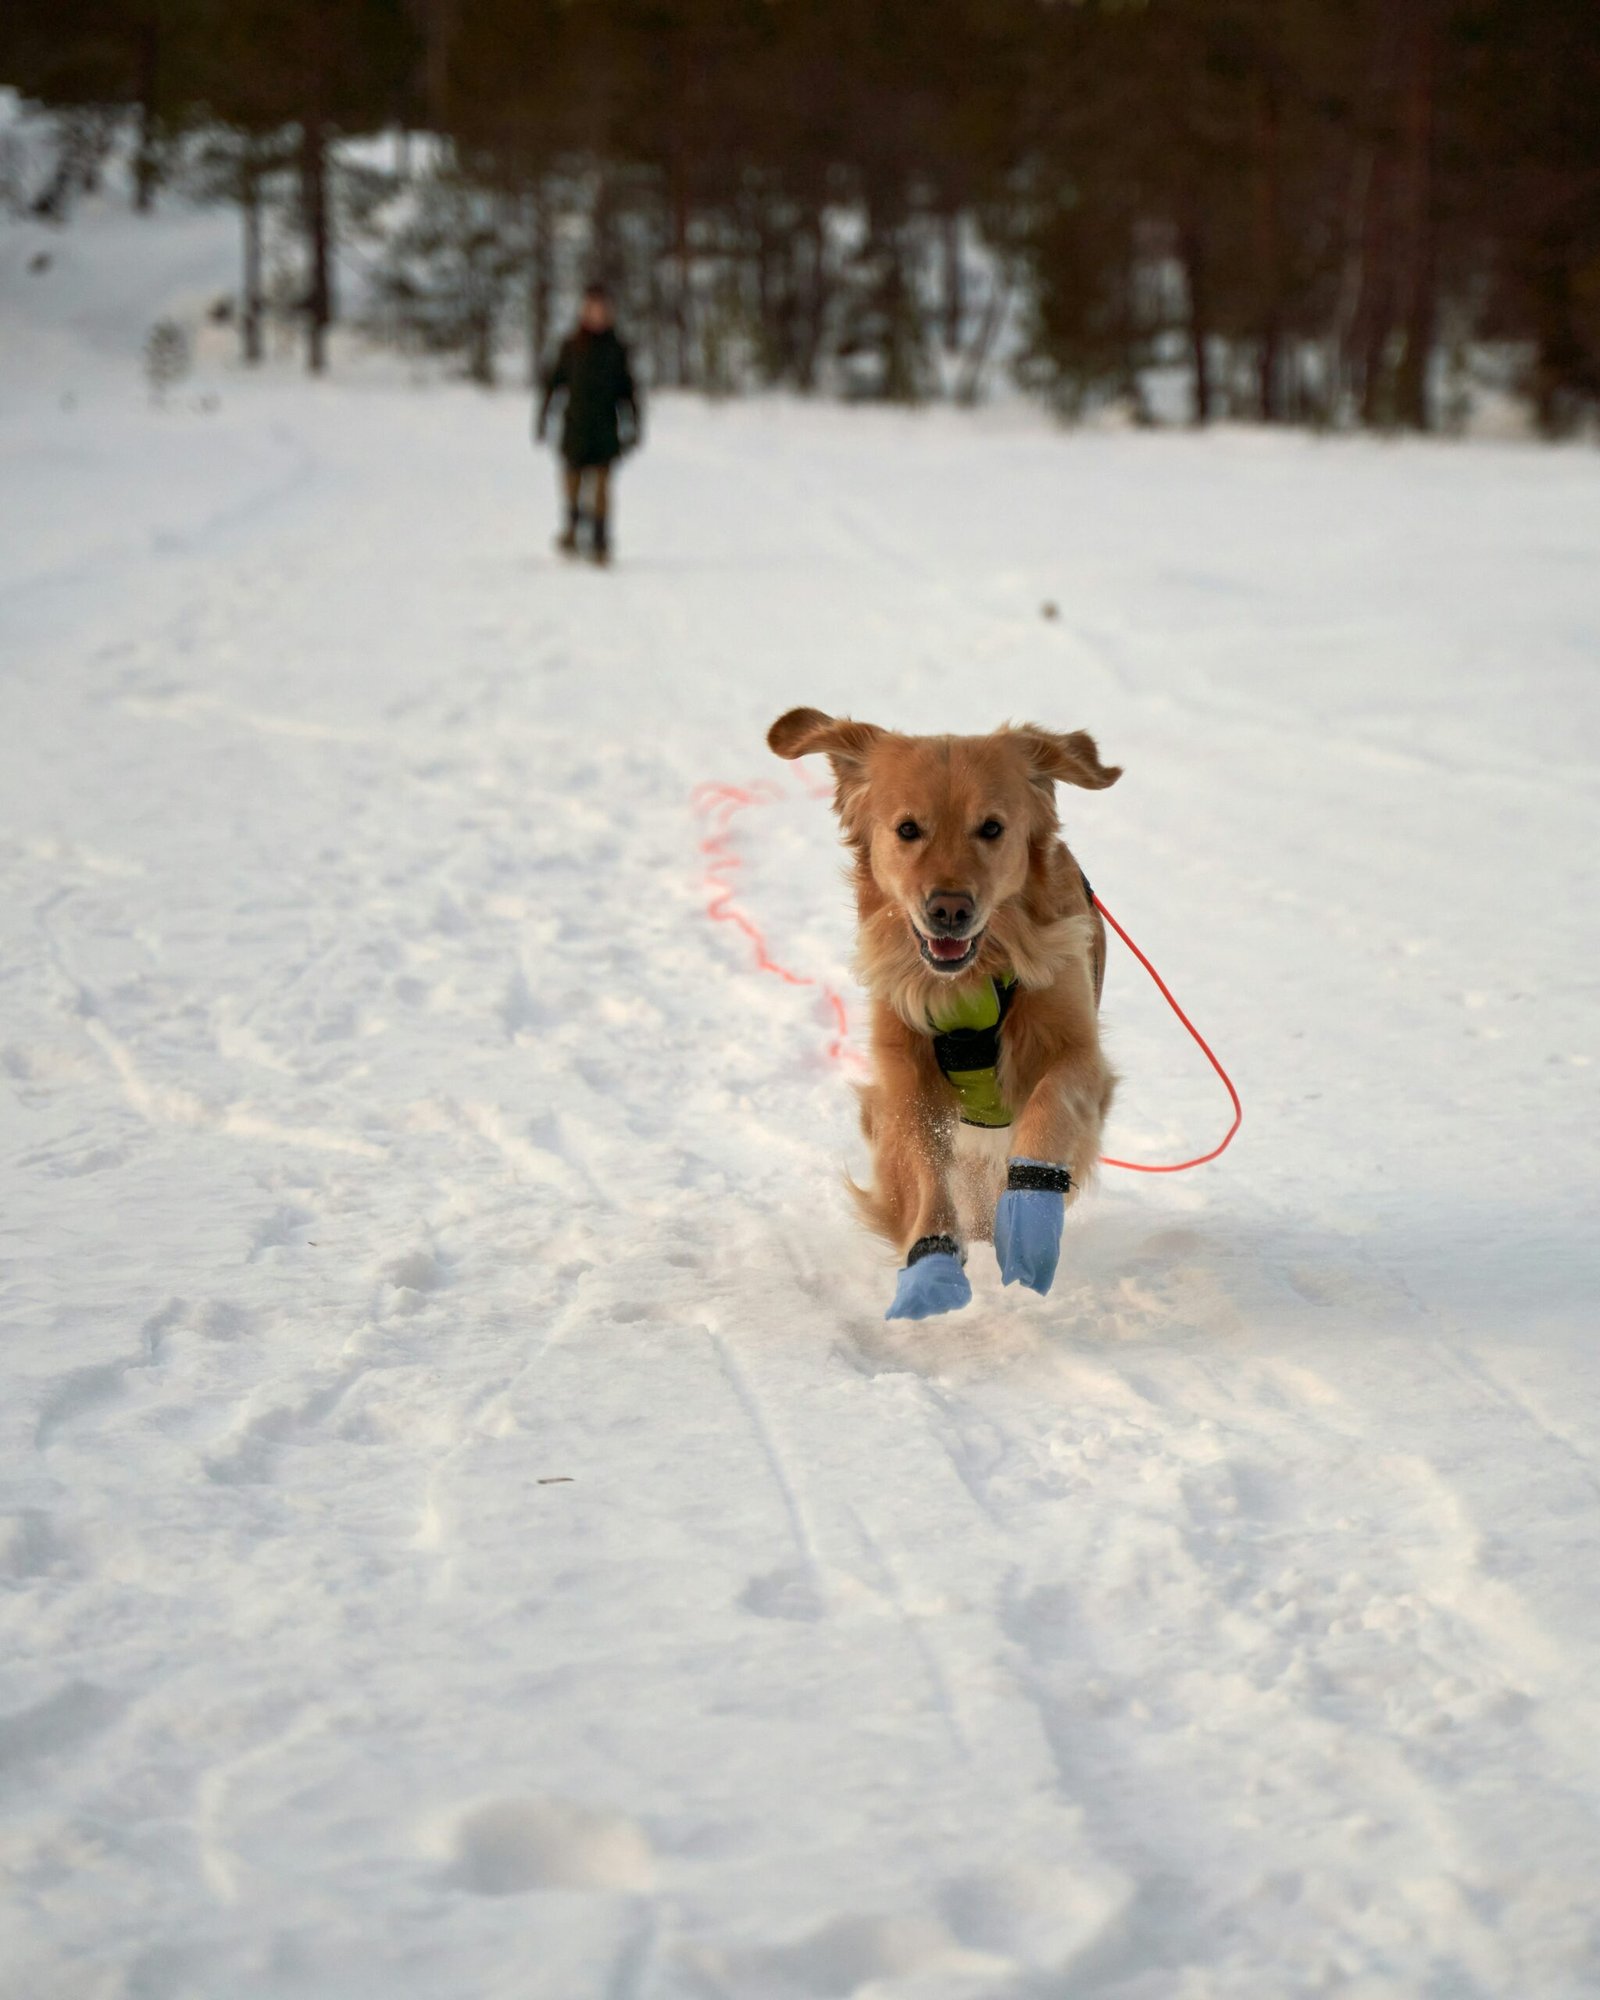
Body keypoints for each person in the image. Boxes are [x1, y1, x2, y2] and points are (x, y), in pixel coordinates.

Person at [535, 283, 641, 567]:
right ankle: (571, 530)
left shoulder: (617, 349)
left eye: (602, 310)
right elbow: (554, 384)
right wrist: (542, 418)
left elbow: (628, 390)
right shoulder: (571, 347)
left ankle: (600, 541)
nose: (598, 315)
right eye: (593, 309)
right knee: (572, 483)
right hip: (576, 426)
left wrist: (634, 424)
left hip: (605, 427)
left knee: (602, 487)